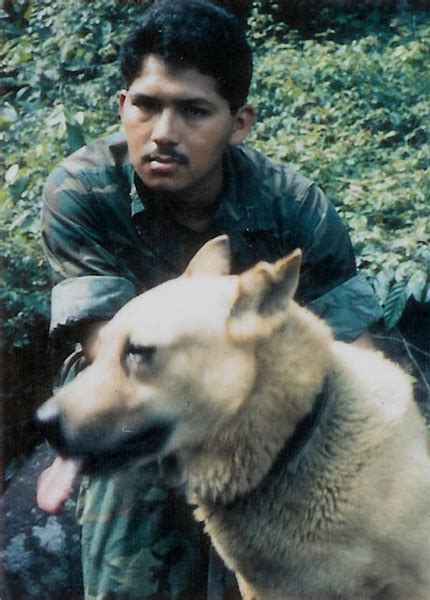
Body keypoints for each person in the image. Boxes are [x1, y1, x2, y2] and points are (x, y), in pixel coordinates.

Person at [37, 1, 382, 598]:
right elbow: (109, 349)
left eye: (194, 111)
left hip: (263, 398)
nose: (164, 133)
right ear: (123, 106)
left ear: (238, 122)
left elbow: (356, 354)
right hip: (133, 385)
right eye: (146, 105)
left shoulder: (292, 204)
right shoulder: (83, 189)